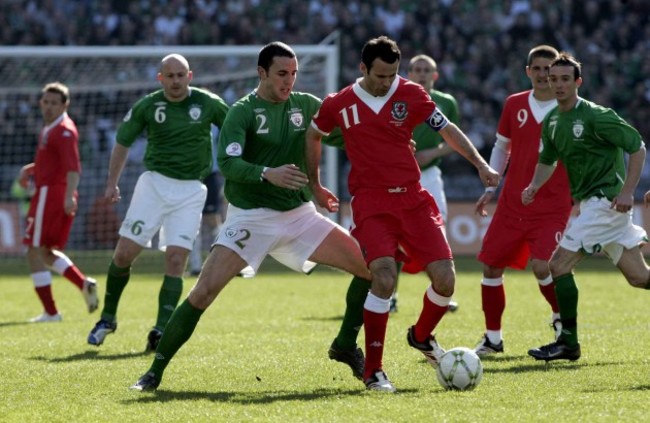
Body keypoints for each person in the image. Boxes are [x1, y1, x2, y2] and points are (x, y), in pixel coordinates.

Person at [130, 41, 373, 392]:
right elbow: (227, 162)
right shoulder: (242, 111)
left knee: (369, 269)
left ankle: (346, 345)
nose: (288, 81)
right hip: (251, 218)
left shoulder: (306, 106)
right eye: (280, 74)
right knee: (203, 292)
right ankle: (154, 371)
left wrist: (386, 140)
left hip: (299, 215)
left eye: (293, 74)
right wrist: (266, 172)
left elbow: (345, 137)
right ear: (262, 73)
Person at [305, 36, 499, 392]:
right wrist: (315, 185)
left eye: (393, 74)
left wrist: (480, 164)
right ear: (363, 69)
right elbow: (314, 135)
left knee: (445, 281)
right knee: (383, 278)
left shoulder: (410, 94)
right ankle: (374, 371)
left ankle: (421, 336)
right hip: (371, 203)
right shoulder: (340, 103)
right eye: (380, 75)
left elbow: (447, 130)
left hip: (413, 200)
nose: (387, 82)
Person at [87, 54, 229, 351]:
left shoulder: (208, 103)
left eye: (181, 75)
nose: (175, 81)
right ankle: (107, 319)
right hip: (153, 185)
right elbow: (123, 141)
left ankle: (161, 329)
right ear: (160, 78)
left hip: (191, 190)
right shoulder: (148, 105)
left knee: (177, 259)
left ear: (190, 76)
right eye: (170, 76)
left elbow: (235, 130)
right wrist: (112, 182)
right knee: (124, 255)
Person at [522, 52, 648, 362]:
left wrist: (628, 191)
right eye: (554, 79)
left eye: (566, 79)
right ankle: (568, 342)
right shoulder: (552, 120)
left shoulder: (596, 115)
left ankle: (568, 342)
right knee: (639, 277)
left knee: (558, 265)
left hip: (605, 203)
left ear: (578, 82)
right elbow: (547, 160)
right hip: (597, 207)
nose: (559, 85)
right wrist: (534, 185)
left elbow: (637, 147)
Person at [472, 45, 573, 356]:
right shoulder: (514, 104)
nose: (544, 76)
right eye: (538, 69)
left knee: (544, 265)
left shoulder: (569, 108)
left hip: (553, 204)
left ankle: (560, 320)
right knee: (491, 267)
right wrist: (491, 185)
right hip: (513, 204)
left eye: (550, 70)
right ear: (528, 71)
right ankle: (492, 339)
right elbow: (502, 147)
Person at [19, 82, 98, 322]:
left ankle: (52, 312)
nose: (49, 107)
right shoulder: (50, 128)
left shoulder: (64, 130)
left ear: (65, 105)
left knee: (34, 251)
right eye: (46, 102)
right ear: (41, 103)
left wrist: (68, 196)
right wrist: (30, 169)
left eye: (55, 103)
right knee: (44, 251)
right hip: (50, 192)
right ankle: (82, 284)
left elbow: (73, 168)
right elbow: (54, 162)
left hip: (51, 195)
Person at [391, 54, 462, 313]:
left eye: (426, 70)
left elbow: (453, 139)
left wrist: (431, 153)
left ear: (435, 75)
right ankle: (390, 296)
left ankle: (440, 292)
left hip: (430, 174)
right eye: (416, 69)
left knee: (436, 230)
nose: (421, 73)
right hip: (398, 174)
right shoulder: (396, 98)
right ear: (408, 73)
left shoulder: (446, 102)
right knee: (395, 235)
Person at [187, 127, 224, 276]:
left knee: (212, 219)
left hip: (210, 174)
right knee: (191, 220)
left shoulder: (214, 114)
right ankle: (195, 267)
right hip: (188, 175)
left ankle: (229, 261)